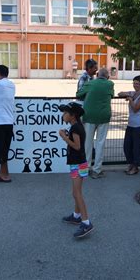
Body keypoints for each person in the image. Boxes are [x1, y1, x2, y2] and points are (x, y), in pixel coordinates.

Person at [58, 102, 94, 239]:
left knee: (77, 193)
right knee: (76, 192)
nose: (63, 115)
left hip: (78, 164)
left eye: (66, 113)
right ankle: (76, 216)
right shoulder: (75, 126)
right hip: (77, 164)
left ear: (73, 116)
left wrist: (64, 137)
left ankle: (86, 222)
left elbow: (77, 146)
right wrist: (67, 135)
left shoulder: (75, 128)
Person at [76, 68, 114, 178]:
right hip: (104, 116)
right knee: (100, 143)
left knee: (87, 143)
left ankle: (86, 168)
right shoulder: (110, 84)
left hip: (89, 116)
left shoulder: (90, 83)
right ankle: (97, 170)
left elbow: (79, 93)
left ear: (97, 75)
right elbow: (111, 95)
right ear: (107, 76)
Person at [117, 75, 140, 175]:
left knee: (136, 148)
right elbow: (119, 93)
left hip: (139, 126)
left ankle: (135, 167)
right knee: (127, 146)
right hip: (130, 125)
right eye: (134, 83)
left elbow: (135, 108)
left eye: (137, 84)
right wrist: (127, 94)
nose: (135, 85)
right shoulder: (133, 93)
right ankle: (130, 164)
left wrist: (130, 100)